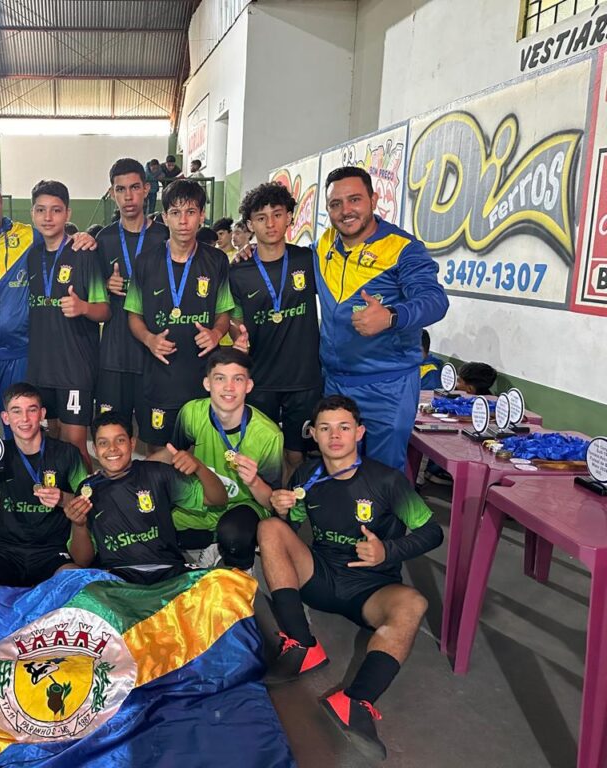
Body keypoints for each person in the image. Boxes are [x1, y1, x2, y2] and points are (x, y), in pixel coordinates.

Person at [259, 395, 443, 761]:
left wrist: (387, 551)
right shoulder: (306, 476)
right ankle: (302, 643)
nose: (335, 436)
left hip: (372, 587)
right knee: (269, 529)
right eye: (325, 428)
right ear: (313, 434)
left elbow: (432, 532)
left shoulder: (387, 480)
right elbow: (291, 531)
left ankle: (355, 700)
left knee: (413, 603)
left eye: (344, 427)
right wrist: (282, 510)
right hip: (323, 578)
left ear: (359, 432)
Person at [0, 171, 95, 462]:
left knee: (24, 432)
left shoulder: (28, 235)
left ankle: (22, 491)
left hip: (21, 355)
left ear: (1, 201)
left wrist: (81, 236)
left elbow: (59, 241)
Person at [316, 166, 448, 472]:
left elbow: (435, 300)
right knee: (340, 473)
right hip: (334, 383)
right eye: (336, 204)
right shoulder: (324, 245)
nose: (345, 211)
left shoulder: (403, 249)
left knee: (382, 480)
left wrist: (391, 316)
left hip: (387, 387)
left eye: (355, 200)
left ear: (374, 199)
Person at [125, 178, 234, 451]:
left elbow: (223, 311)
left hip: (203, 377)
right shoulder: (146, 261)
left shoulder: (217, 260)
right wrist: (149, 339)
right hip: (160, 377)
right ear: (165, 218)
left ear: (202, 216)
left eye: (190, 212)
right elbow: (133, 316)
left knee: (201, 453)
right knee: (159, 452)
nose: (183, 221)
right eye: (175, 213)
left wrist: (217, 333)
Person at [62, 411, 226, 585]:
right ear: (94, 449)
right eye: (103, 443)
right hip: (119, 579)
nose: (112, 448)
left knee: (227, 586)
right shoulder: (88, 490)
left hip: (168, 571)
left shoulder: (158, 473)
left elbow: (218, 499)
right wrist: (78, 525)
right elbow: (81, 561)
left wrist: (199, 467)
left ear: (132, 444)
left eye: (120, 440)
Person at [157, 348, 282, 569]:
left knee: (234, 535)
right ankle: (212, 549)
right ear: (207, 383)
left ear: (249, 386)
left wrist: (253, 481)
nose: (229, 387)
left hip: (244, 504)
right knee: (154, 521)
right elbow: (173, 453)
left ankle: (236, 564)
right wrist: (130, 469)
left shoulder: (269, 434)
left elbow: (271, 502)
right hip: (204, 498)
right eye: (220, 378)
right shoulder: (191, 413)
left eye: (238, 379)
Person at [231, 182, 322, 479]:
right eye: (261, 217)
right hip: (261, 378)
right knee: (264, 452)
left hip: (304, 378)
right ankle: (265, 514)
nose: (270, 224)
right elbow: (232, 319)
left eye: (277, 214)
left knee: (296, 454)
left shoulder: (308, 260)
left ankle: (291, 512)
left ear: (289, 218)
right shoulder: (238, 271)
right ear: (249, 224)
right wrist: (237, 336)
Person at [0, 384, 90, 587]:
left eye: (31, 410)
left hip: (53, 553)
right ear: (5, 418)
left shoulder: (67, 454)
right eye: (16, 411)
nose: (24, 419)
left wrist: (64, 499)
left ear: (42, 414)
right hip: (7, 551)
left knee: (80, 587)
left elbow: (88, 503)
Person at [25, 180, 109, 470]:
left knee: (76, 448)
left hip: (75, 367)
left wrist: (83, 307)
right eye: (41, 210)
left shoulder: (84, 252)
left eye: (56, 210)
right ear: (32, 213)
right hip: (40, 367)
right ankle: (62, 507)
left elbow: (105, 310)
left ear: (67, 214)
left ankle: (86, 511)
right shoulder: (32, 256)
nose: (48, 217)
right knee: (52, 443)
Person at [95, 158, 169, 426]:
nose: (128, 196)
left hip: (156, 349)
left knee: (157, 436)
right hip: (115, 352)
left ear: (147, 189)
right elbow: (93, 296)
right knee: (113, 431)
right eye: (121, 189)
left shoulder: (165, 237)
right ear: (112, 193)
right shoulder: (104, 239)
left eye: (134, 187)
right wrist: (105, 286)